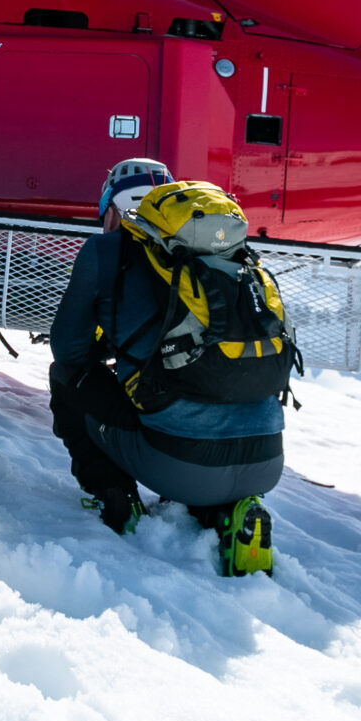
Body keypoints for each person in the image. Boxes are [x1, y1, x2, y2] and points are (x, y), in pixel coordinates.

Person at [49, 166, 296, 576]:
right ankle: (231, 513)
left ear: (113, 209)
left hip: (177, 467)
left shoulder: (106, 251)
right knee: (194, 404)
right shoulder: (236, 257)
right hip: (266, 462)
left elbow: (68, 350)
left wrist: (117, 345)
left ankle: (114, 496)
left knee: (67, 377)